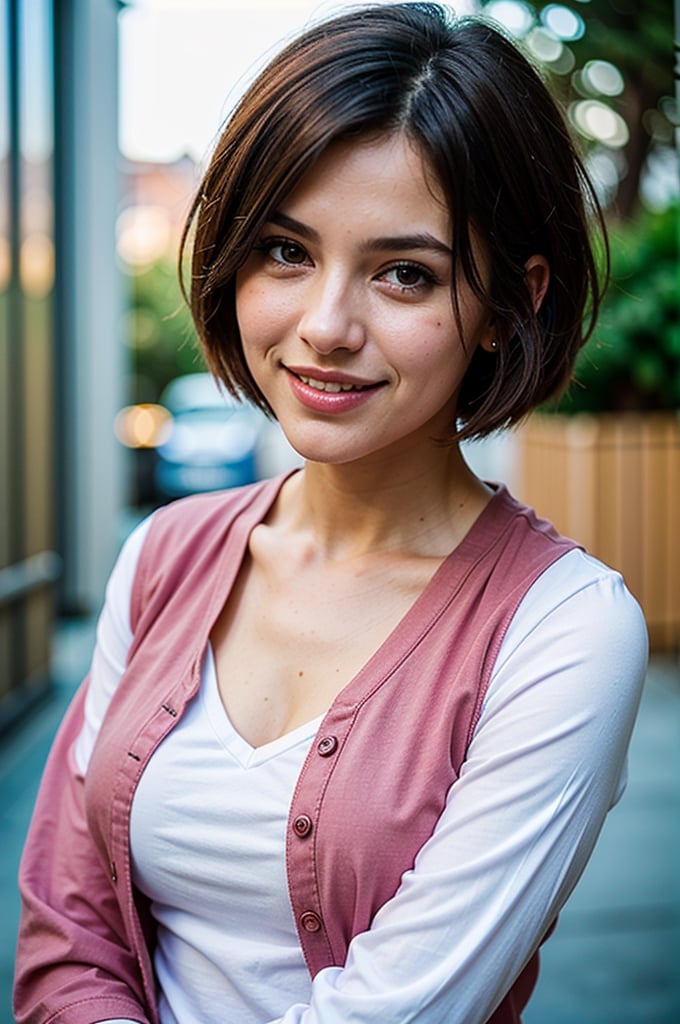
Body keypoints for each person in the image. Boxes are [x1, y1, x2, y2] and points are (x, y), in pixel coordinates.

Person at [14, 4, 648, 1023]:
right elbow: (66, 925)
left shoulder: (564, 634)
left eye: (404, 273)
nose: (325, 327)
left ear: (509, 303)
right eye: (284, 251)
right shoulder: (161, 557)